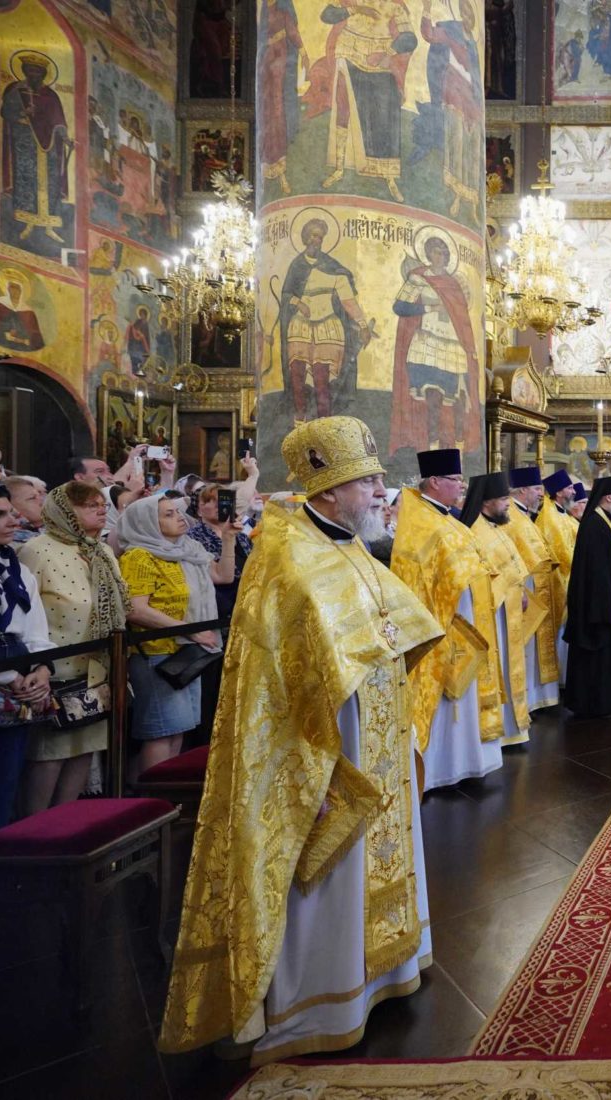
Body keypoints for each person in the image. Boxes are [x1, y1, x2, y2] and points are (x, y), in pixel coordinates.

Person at [158, 415, 442, 1064]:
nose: (379, 490)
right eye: (366, 481)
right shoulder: (287, 560)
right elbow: (276, 682)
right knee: (331, 871)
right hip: (324, 752)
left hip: (377, 736)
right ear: (330, 489)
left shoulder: (348, 545)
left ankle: (388, 970)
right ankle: (324, 997)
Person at [391, 448, 502, 793]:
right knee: (446, 700)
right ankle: (440, 770)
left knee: (463, 698)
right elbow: (418, 580)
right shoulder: (420, 522)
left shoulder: (447, 519)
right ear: (435, 482)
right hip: (446, 623)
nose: (462, 486)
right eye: (456, 480)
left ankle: (466, 763)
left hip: (467, 619)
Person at [18, 481, 128, 813]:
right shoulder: (37, 550)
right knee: (51, 754)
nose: (101, 510)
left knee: (85, 748)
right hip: (54, 669)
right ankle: (35, 828)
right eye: (90, 505)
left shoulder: (101, 550)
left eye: (102, 504)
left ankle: (66, 823)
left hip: (96, 665)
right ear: (64, 511)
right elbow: (24, 614)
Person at [119, 493, 236, 783]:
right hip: (157, 652)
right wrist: (189, 629)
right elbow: (136, 609)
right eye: (168, 514)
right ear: (147, 522)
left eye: (177, 512)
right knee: (162, 732)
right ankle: (152, 799)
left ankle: (165, 797)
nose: (180, 518)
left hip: (188, 651)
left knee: (177, 730)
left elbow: (223, 576)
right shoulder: (139, 556)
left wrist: (228, 539)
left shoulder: (188, 548)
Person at [0, 486, 54, 842]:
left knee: (6, 777)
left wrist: (42, 669)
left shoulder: (15, 568)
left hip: (19, 671)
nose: (11, 521)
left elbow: (35, 627)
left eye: (11, 513)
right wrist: (3, 675)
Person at [460, 473, 531, 747]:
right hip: (494, 612)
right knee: (500, 667)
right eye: (503, 499)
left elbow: (513, 565)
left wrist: (521, 591)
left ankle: (514, 728)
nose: (508, 504)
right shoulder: (476, 531)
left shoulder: (496, 527)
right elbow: (482, 575)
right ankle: (502, 730)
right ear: (486, 502)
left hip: (509, 608)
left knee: (512, 666)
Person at [562, 476, 611, 719]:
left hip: (607, 602)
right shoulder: (594, 525)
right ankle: (597, 703)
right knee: (597, 656)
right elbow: (595, 572)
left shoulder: (607, 521)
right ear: (608, 497)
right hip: (597, 608)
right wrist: (607, 608)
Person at [505, 467, 563, 712]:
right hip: (525, 588)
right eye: (537, 488)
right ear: (522, 490)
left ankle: (538, 698)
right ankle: (526, 701)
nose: (542, 493)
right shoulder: (510, 516)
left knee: (536, 644)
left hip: (538, 585)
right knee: (526, 645)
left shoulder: (525, 515)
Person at [187, 484, 255, 620]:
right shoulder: (192, 537)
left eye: (223, 500)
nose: (218, 505)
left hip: (248, 601)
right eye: (211, 501)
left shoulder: (241, 534)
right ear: (199, 510)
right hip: (219, 604)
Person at [537, 469, 579, 593]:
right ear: (559, 492)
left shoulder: (563, 514)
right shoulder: (548, 516)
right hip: (557, 578)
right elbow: (560, 551)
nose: (574, 492)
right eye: (570, 488)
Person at [4, 475, 46, 545]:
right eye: (32, 498)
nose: (42, 501)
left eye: (39, 495)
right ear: (11, 508)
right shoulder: (11, 544)